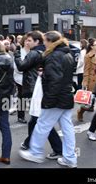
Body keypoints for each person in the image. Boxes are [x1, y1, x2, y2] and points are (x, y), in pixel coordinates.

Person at [19, 31, 77, 168]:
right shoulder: (66, 54)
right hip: (65, 96)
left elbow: (54, 81)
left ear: (50, 41)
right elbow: (61, 77)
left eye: (45, 40)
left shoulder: (53, 56)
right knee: (67, 128)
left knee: (42, 124)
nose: (43, 43)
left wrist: (48, 101)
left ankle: (36, 152)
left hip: (55, 98)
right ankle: (69, 157)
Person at [77, 38, 96, 121]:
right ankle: (80, 112)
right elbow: (86, 70)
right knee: (88, 100)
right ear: (91, 46)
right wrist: (85, 82)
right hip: (92, 81)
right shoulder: (88, 56)